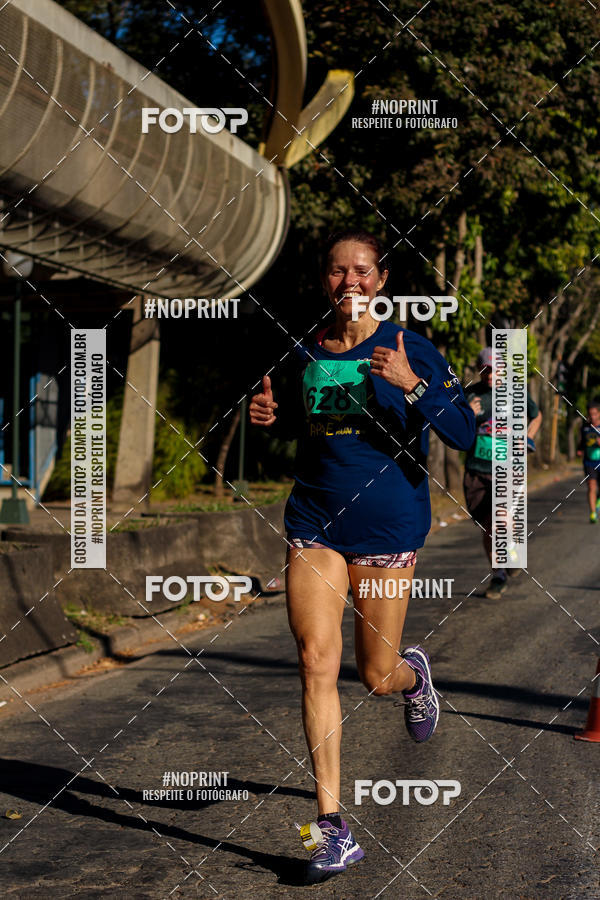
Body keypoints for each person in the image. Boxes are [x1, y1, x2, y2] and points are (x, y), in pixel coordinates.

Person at [249, 229, 475, 884]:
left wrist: (412, 385)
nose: (349, 281)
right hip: (315, 522)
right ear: (326, 280)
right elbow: (314, 425)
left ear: (380, 279)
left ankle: (413, 677)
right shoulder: (308, 349)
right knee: (315, 659)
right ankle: (333, 830)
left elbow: (463, 431)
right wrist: (274, 419)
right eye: (337, 270)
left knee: (374, 675)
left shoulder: (410, 347)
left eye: (362, 270)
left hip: (386, 530)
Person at [464, 347, 542, 599]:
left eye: (495, 369)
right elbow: (456, 431)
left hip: (506, 469)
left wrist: (528, 437)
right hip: (476, 471)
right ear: (479, 369)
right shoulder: (470, 395)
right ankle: (498, 572)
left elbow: (536, 415)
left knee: (501, 521)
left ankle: (507, 558)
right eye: (485, 369)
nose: (490, 374)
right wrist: (467, 414)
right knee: (488, 528)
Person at [576, 399, 600, 522]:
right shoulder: (585, 427)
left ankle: (598, 501)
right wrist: (579, 449)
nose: (593, 417)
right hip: (589, 462)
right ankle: (592, 513)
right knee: (591, 486)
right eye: (590, 414)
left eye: (595, 414)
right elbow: (581, 442)